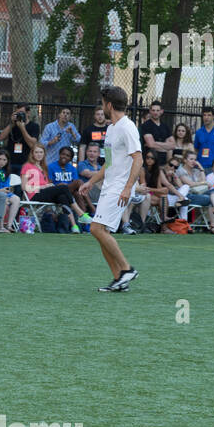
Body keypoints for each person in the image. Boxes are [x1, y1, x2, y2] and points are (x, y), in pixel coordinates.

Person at [78, 86, 143, 292]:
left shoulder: (127, 127)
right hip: (110, 186)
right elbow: (109, 163)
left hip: (120, 188)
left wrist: (128, 187)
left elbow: (138, 158)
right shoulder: (111, 129)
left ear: (109, 105)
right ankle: (119, 280)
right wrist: (91, 181)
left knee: (96, 228)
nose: (102, 107)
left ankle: (126, 269)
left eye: (103, 103)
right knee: (100, 231)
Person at [21, 144, 88, 231]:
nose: (39, 154)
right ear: (32, 154)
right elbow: (24, 187)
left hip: (43, 194)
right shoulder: (27, 166)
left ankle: (73, 226)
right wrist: (43, 186)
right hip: (34, 194)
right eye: (36, 152)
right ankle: (80, 214)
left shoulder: (43, 168)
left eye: (41, 152)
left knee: (62, 197)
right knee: (63, 187)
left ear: (44, 154)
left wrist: (48, 186)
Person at [1, 104, 40, 175]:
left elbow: (32, 145)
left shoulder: (34, 126)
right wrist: (11, 124)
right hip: (10, 161)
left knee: (21, 185)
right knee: (7, 183)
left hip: (25, 162)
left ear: (28, 113)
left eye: (22, 113)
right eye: (17, 113)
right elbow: (1, 137)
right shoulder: (12, 125)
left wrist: (22, 128)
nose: (20, 115)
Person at [0, 149, 21, 232]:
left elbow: (6, 186)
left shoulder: (6, 171)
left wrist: (7, 190)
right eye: (0, 159)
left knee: (16, 199)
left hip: (3, 192)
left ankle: (9, 225)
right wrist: (1, 190)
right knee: (4, 199)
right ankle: (1, 225)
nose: (2, 162)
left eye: (4, 160)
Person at [139, 100, 171, 166]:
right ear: (150, 111)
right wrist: (166, 147)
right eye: (153, 110)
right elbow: (151, 145)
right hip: (150, 161)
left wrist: (156, 144)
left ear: (161, 111)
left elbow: (172, 145)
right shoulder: (146, 125)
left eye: (157, 110)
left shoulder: (165, 126)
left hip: (164, 162)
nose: (155, 112)